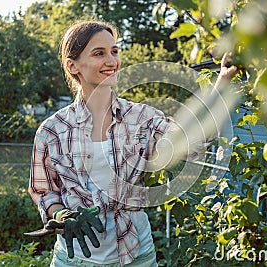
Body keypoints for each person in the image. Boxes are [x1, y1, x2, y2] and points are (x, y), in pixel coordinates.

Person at [28, 19, 237, 267]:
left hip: (136, 255)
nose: (112, 61)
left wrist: (222, 83)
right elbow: (43, 190)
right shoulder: (52, 131)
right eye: (99, 53)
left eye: (114, 52)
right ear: (73, 66)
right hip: (75, 260)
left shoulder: (140, 118)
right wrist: (61, 214)